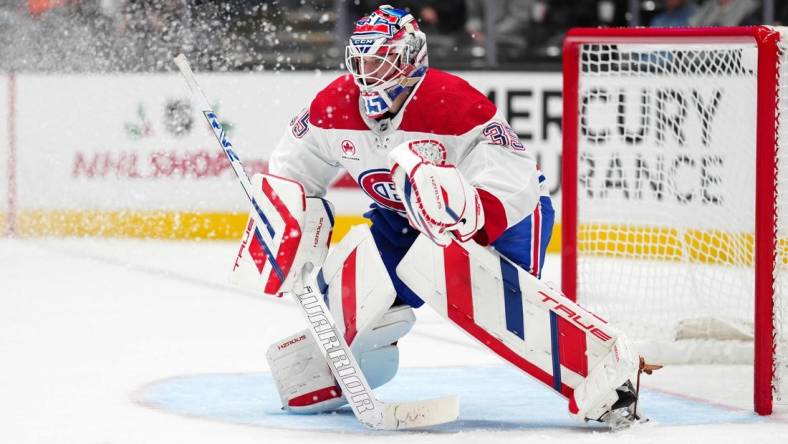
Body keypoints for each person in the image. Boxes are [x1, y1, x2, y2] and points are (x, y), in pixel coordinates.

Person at [263, 4, 644, 428]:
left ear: (409, 58)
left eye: (380, 60)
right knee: (358, 284)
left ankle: (608, 376)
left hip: (505, 217)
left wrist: (469, 220)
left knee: (496, 303)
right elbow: (292, 172)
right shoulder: (333, 106)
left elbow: (514, 178)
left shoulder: (453, 104)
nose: (368, 74)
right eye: (362, 61)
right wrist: (290, 224)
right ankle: (331, 366)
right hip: (405, 218)